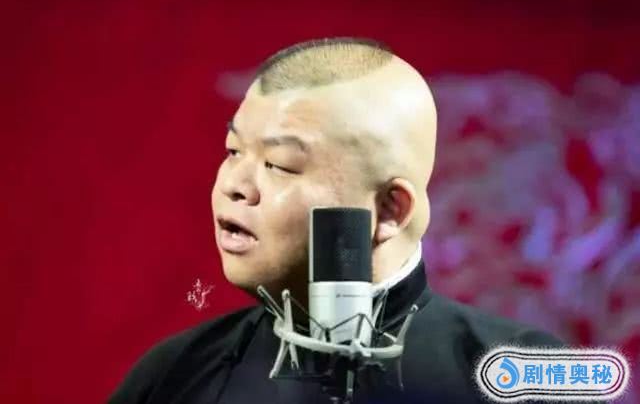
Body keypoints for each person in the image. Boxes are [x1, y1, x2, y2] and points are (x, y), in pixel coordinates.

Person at [109, 38, 563, 404]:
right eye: (233, 151)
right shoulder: (176, 374)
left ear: (390, 210)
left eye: (279, 164)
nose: (235, 185)